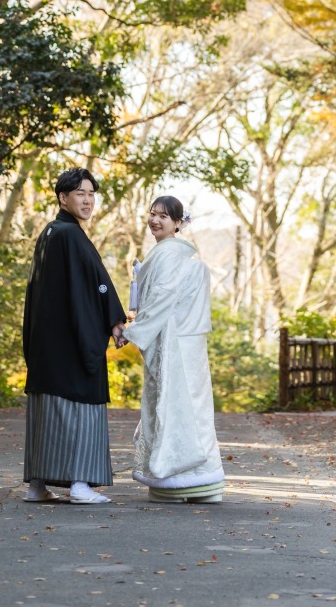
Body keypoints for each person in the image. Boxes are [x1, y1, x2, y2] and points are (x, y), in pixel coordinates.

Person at [22, 167, 126, 504]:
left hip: (48, 345)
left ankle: (38, 484)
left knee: (48, 412)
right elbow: (87, 291)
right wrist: (109, 320)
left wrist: (110, 313)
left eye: (91, 194)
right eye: (80, 193)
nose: (87, 200)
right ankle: (80, 485)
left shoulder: (52, 233)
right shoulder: (68, 235)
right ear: (62, 197)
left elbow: (87, 285)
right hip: (69, 344)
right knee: (78, 409)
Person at [122, 194, 225, 503]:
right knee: (193, 407)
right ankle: (203, 482)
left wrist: (132, 331)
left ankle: (177, 482)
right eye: (153, 214)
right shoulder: (179, 258)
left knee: (171, 404)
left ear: (178, 223)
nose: (156, 220)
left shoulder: (167, 256)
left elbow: (161, 301)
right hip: (190, 343)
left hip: (173, 343)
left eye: (164, 216)